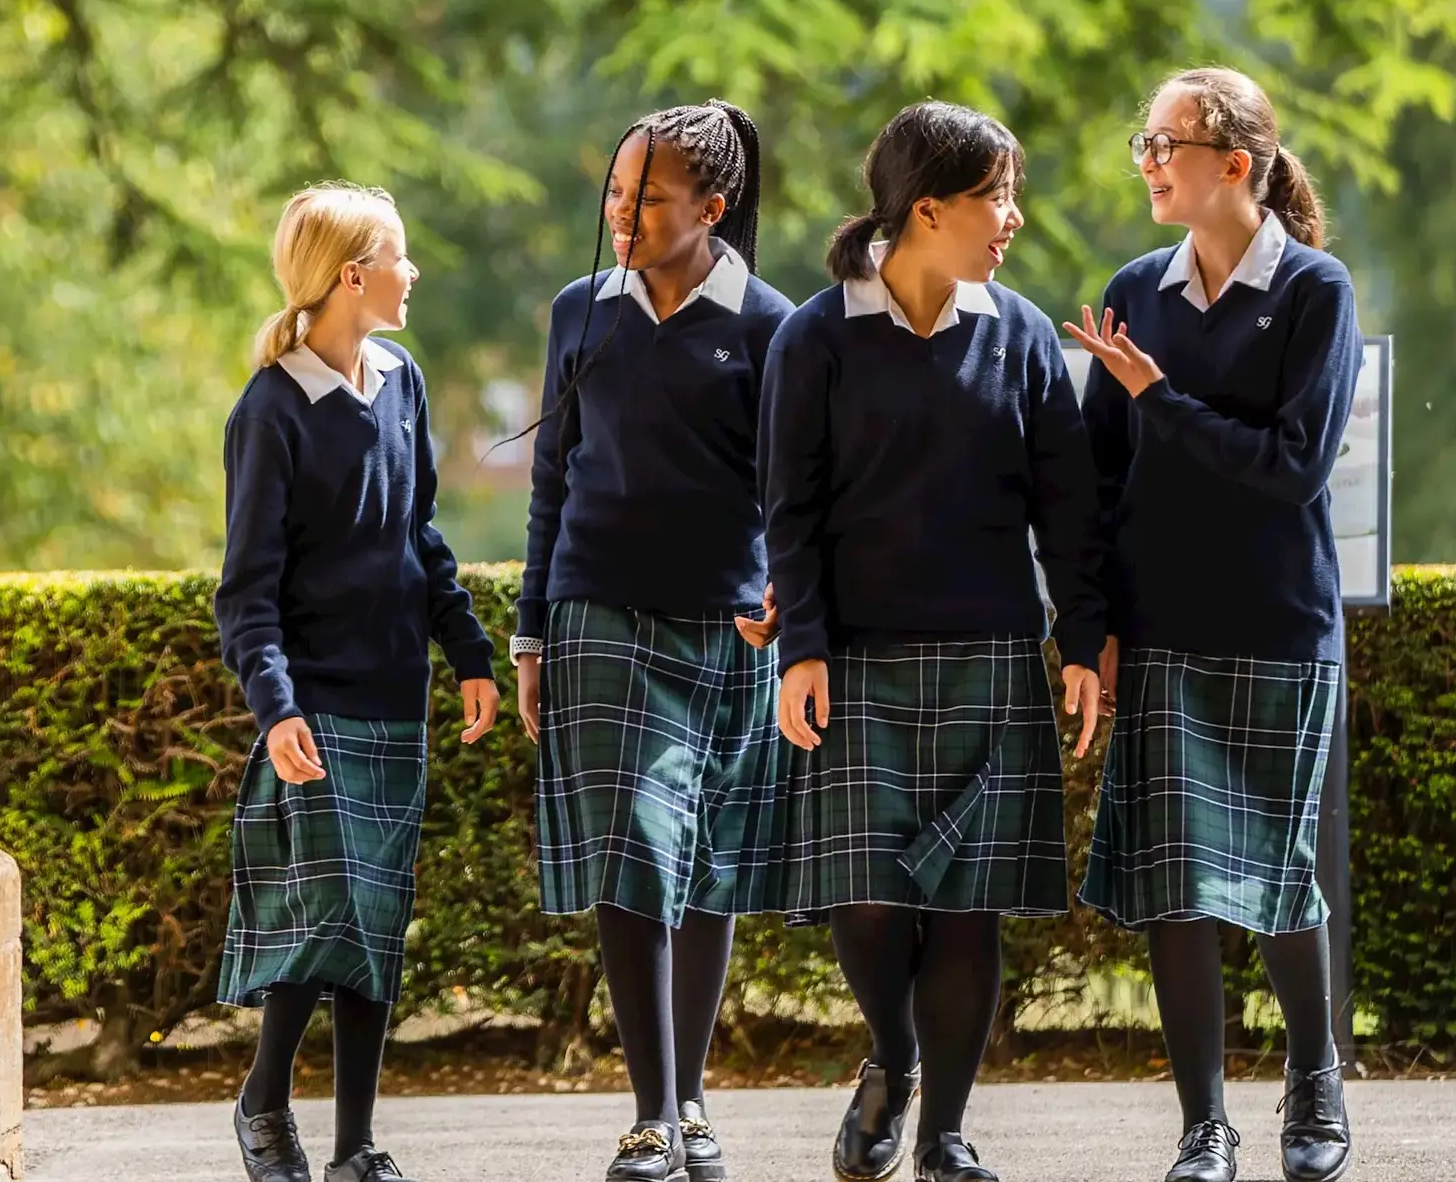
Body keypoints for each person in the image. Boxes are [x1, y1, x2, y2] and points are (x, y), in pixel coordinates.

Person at [757, 101, 1106, 1182]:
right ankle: (893, 1058)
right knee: (867, 896)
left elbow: (1068, 506)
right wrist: (801, 646)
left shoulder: (1023, 335)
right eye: (994, 195)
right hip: (856, 655)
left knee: (967, 905)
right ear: (925, 209)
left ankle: (946, 1135)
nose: (1012, 217)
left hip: (994, 653)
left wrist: (1084, 640)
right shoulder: (815, 335)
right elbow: (790, 509)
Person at [1069, 67, 1360, 1182]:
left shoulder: (1315, 291)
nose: (1145, 159)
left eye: (1163, 142)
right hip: (1159, 632)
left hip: (1277, 625)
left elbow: (1287, 471)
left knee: (1280, 869)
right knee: (1176, 885)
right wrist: (1087, 623)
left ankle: (1314, 1081)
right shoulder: (1133, 290)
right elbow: (1093, 483)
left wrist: (1158, 397)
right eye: (1138, 139)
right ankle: (1204, 1124)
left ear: (1232, 163)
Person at [514, 102, 797, 1182]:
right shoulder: (578, 311)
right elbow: (549, 476)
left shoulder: (774, 324)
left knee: (708, 863)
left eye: (649, 198)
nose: (622, 214)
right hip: (597, 614)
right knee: (634, 848)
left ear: (712, 208)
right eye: (616, 194)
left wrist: (789, 596)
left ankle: (688, 1099)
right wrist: (531, 630)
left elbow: (796, 494)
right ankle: (647, 1115)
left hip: (724, 629)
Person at [215, 182, 502, 1182]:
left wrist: (466, 649)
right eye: (399, 255)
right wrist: (275, 704)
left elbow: (417, 535)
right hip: (318, 704)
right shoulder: (269, 412)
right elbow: (244, 588)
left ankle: (352, 1149)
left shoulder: (402, 381)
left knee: (375, 923)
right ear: (352, 274)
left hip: (393, 697)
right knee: (330, 911)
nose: (411, 272)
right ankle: (262, 1098)